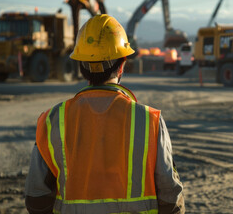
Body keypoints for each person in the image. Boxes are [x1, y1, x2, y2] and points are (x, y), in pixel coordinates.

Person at [24, 14, 185, 214]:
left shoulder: (52, 121)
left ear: (81, 64)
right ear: (123, 63)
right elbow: (171, 199)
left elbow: (36, 200)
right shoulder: (150, 121)